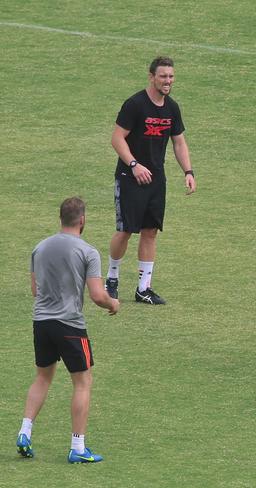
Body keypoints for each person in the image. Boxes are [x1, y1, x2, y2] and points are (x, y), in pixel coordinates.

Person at [16, 197, 119, 463]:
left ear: (60, 218)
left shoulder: (39, 248)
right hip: (70, 325)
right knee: (83, 382)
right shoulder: (88, 252)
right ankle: (78, 447)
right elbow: (97, 295)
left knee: (42, 378)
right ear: (82, 220)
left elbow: (35, 291)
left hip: (41, 323)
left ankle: (24, 432)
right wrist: (113, 303)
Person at [105, 56, 196, 305]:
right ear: (151, 76)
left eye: (171, 76)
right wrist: (133, 165)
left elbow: (179, 142)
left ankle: (143, 288)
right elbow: (117, 138)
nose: (168, 81)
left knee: (150, 232)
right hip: (130, 178)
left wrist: (188, 172)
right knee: (125, 231)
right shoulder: (135, 104)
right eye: (163, 76)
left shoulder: (171, 108)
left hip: (156, 180)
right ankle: (111, 279)